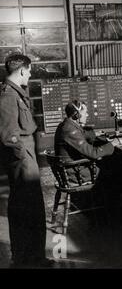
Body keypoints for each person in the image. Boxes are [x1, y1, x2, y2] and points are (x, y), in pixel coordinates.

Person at [0, 54, 50, 267]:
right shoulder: (8, 96)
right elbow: (7, 136)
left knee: (33, 211)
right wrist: (24, 157)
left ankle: (34, 257)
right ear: (22, 70)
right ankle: (27, 258)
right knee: (26, 211)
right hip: (22, 163)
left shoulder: (15, 93)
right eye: (29, 71)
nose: (30, 75)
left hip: (26, 160)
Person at [54, 100, 115, 185]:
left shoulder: (66, 125)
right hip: (75, 174)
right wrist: (114, 143)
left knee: (108, 164)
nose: (87, 115)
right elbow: (94, 153)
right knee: (113, 166)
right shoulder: (69, 130)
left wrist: (95, 134)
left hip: (71, 170)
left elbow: (82, 133)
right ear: (77, 115)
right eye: (85, 112)